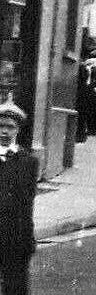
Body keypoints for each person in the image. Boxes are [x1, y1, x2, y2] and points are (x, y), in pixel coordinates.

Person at [0, 100, 37, 295]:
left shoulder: (28, 161)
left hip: (14, 237)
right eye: (0, 126)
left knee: (15, 287)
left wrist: (28, 239)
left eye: (10, 127)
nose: (4, 132)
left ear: (18, 130)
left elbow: (27, 204)